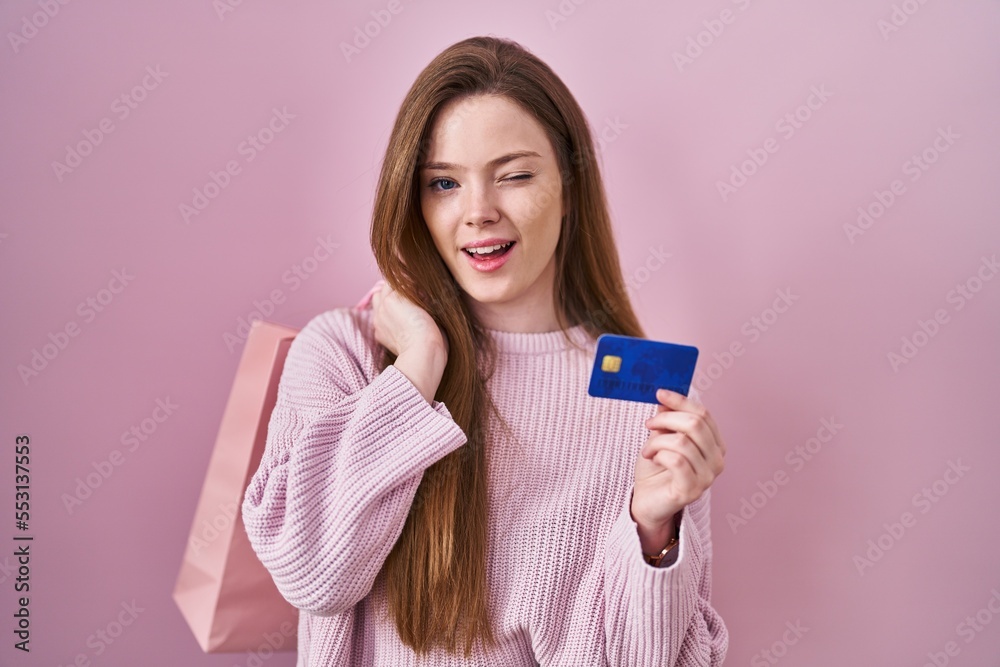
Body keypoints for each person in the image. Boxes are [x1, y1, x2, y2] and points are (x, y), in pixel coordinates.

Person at [242, 35, 729, 666]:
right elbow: (312, 573)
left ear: (570, 187)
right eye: (443, 183)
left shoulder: (648, 401)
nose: (477, 211)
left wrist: (654, 534)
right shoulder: (344, 355)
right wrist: (418, 363)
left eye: (515, 175)